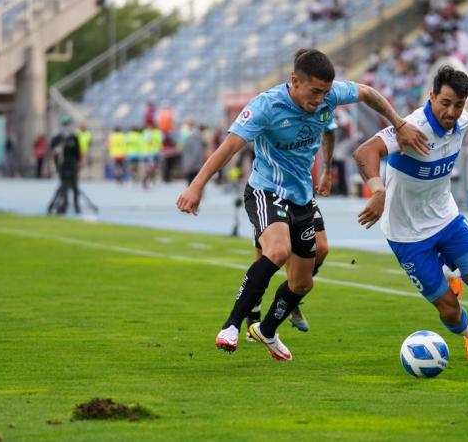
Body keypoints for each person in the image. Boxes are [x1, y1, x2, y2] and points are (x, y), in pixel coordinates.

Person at [176, 48, 429, 361]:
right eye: (314, 92)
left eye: (325, 93)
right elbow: (228, 147)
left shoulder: (329, 96)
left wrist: (398, 123)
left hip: (301, 197)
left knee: (303, 281)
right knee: (278, 250)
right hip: (266, 190)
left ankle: (267, 329)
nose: (321, 99)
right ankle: (232, 325)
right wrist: (197, 186)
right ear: (294, 81)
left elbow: (367, 93)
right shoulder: (266, 107)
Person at [353, 66, 468, 361]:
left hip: (445, 219)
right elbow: (364, 152)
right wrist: (378, 192)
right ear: (431, 97)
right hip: (406, 234)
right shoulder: (410, 127)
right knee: (449, 308)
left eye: (457, 104)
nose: (451, 111)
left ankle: (452, 269)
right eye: (445, 103)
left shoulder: (460, 119)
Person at [243, 118, 339, 339]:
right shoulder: (273, 108)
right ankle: (253, 315)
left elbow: (329, 131)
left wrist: (327, 170)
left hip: (301, 191)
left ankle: (292, 295)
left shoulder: (322, 104)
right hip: (268, 190)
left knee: (321, 247)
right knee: (268, 256)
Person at [47, 115, 82, 215]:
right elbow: (52, 150)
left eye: (68, 124)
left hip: (73, 165)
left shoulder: (74, 137)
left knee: (75, 186)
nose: (66, 126)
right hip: (62, 166)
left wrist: (79, 163)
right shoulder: (58, 138)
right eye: (64, 124)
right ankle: (63, 205)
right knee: (63, 186)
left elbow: (78, 152)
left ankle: (76, 206)